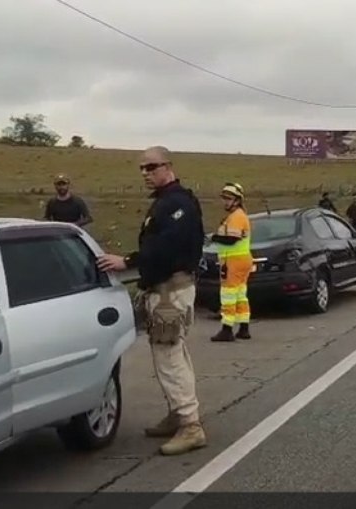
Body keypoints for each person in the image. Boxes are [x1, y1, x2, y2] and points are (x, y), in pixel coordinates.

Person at [96, 146, 207, 456]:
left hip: (171, 292)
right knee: (174, 353)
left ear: (168, 166)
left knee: (169, 357)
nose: (145, 173)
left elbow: (167, 249)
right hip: (165, 289)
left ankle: (190, 425)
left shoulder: (177, 204)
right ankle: (178, 413)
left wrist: (128, 261)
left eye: (152, 167)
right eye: (142, 169)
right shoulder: (166, 202)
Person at [210, 182, 253, 342]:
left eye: (228, 199)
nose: (225, 202)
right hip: (242, 259)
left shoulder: (236, 217)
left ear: (237, 200)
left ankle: (227, 329)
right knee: (241, 295)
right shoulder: (238, 215)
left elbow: (231, 240)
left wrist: (214, 238)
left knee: (228, 295)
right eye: (224, 199)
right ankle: (243, 328)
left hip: (233, 261)